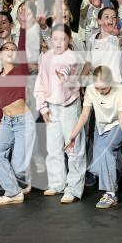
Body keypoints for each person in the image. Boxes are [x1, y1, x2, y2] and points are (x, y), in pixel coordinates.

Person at [66, 66, 122, 209]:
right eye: (97, 88)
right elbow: (84, 115)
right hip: (101, 127)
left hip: (118, 126)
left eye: (103, 89)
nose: (100, 91)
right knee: (96, 167)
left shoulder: (120, 90)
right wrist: (73, 136)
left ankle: (110, 194)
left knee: (105, 151)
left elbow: (121, 117)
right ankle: (116, 171)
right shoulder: (90, 90)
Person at [0, 6, 37, 206]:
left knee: (18, 167)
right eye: (5, 49)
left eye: (12, 49)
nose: (10, 51)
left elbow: (22, 47)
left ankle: (23, 180)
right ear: (0, 55)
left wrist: (24, 27)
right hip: (7, 122)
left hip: (23, 122)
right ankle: (13, 192)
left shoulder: (20, 71)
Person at [34, 24, 85, 204]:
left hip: (69, 106)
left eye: (62, 39)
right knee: (53, 147)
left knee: (73, 147)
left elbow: (67, 67)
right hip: (52, 106)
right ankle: (57, 183)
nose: (58, 43)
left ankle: (73, 188)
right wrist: (42, 107)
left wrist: (63, 75)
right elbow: (40, 83)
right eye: (55, 39)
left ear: (69, 40)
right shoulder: (46, 57)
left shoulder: (71, 56)